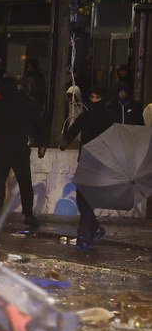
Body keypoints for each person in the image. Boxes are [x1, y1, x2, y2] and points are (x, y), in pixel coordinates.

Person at [0, 76, 45, 226]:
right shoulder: (28, 103)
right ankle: (28, 215)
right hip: (20, 149)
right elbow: (39, 125)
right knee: (25, 182)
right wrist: (42, 144)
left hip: (3, 149)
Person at [59, 87, 113, 251]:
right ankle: (94, 229)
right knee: (81, 199)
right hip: (85, 161)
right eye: (92, 97)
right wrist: (64, 141)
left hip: (98, 164)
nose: (94, 100)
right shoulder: (86, 116)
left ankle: (83, 236)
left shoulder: (108, 117)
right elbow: (73, 130)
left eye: (98, 97)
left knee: (86, 199)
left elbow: (112, 139)